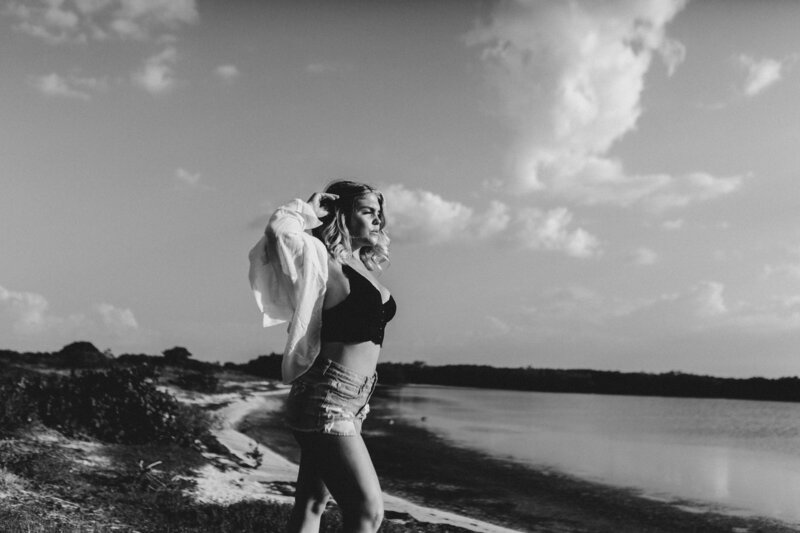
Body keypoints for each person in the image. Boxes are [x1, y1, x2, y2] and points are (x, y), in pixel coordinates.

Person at [248, 180, 396, 533]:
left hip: (355, 399)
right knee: (368, 512)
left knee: (312, 504)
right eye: (366, 211)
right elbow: (279, 231)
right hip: (326, 397)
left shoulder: (361, 266)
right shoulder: (321, 259)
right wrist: (309, 210)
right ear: (342, 216)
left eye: (379, 213)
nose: (377, 220)